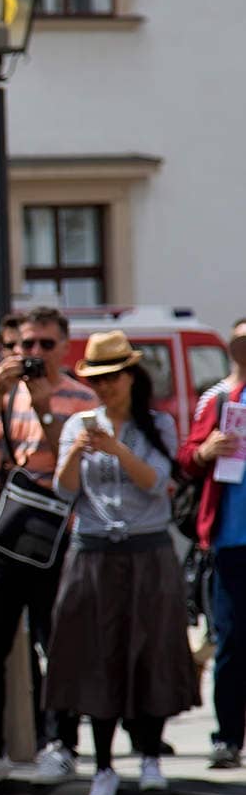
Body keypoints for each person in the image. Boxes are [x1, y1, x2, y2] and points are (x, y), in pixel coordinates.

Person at [0, 305, 98, 795]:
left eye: (44, 345)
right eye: (24, 345)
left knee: (55, 641)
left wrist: (43, 407)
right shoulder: (1, 389)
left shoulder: (82, 397)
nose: (32, 354)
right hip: (0, 530)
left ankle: (59, 743)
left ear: (65, 347)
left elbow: (70, 463)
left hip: (55, 536)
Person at [48, 332, 197, 795]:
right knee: (97, 657)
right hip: (92, 552)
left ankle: (151, 756)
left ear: (132, 376)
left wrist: (116, 449)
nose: (106, 387)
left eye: (113, 377)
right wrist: (75, 452)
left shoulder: (157, 424)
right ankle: (105, 767)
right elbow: (63, 491)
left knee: (150, 650)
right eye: (97, 379)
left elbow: (159, 484)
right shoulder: (77, 425)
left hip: (147, 551)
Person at [179, 316, 246, 769]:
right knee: (232, 641)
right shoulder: (219, 397)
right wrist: (206, 451)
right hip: (231, 542)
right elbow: (186, 458)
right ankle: (227, 737)